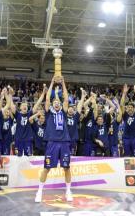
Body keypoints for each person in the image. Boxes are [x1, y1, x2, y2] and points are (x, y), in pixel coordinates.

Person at [35, 75, 72, 203]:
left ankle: (68, 191)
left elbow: (66, 98)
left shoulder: (64, 112)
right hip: (52, 143)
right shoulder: (49, 112)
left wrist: (63, 83)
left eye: (58, 102)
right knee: (47, 167)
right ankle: (39, 191)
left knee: (67, 168)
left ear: (60, 105)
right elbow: (47, 98)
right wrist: (51, 82)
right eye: (54, 102)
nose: (56, 103)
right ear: (52, 104)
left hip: (64, 143)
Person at [120, 84, 135, 157]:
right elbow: (121, 105)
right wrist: (124, 93)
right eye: (128, 107)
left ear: (133, 108)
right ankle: (128, 168)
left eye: (131, 107)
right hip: (126, 138)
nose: (130, 108)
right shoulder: (125, 115)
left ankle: (134, 168)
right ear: (127, 108)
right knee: (127, 155)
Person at [67, 88, 86, 156]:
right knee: (65, 156)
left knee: (72, 156)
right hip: (65, 139)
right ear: (67, 109)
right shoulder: (64, 117)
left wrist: (83, 97)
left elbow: (79, 108)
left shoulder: (75, 117)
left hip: (73, 140)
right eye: (69, 108)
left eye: (72, 109)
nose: (71, 110)